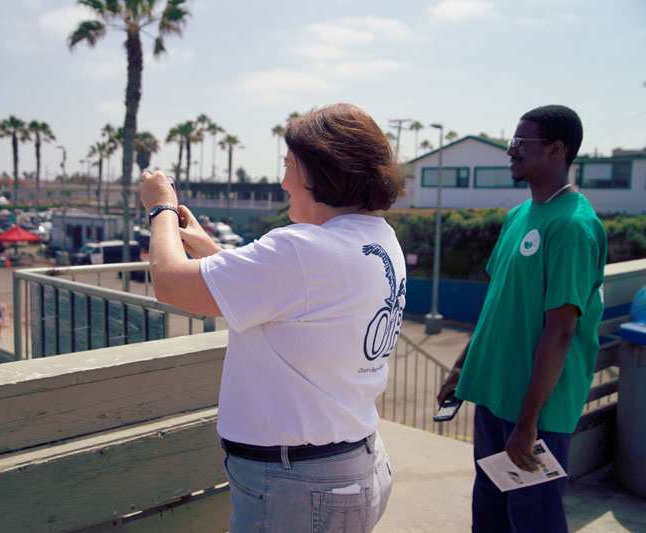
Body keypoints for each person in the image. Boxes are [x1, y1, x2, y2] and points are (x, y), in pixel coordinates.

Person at [140, 103, 405, 532]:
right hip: (351, 467)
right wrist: (210, 250)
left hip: (299, 487)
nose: (283, 182)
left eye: (288, 166)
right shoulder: (375, 237)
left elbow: (169, 283)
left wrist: (161, 209)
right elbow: (296, 300)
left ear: (320, 171)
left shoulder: (302, 249)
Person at [437, 105, 607, 533]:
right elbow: (498, 303)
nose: (510, 152)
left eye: (519, 143)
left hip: (536, 413)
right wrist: (462, 368)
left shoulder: (573, 226)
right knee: (491, 513)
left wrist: (529, 421)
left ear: (555, 150)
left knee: (534, 520)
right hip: (495, 397)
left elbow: (562, 330)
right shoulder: (518, 216)